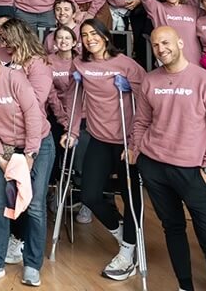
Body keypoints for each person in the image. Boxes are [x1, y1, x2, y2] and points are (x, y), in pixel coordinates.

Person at [131, 26, 206, 291]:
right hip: (155, 167)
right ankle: (185, 286)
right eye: (155, 45)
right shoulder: (150, 80)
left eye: (165, 42)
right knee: (173, 228)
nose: (161, 49)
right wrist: (137, 151)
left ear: (179, 42)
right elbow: (141, 121)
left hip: (194, 172)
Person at [0, 36, 53, 286]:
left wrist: (30, 155)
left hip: (38, 145)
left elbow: (33, 116)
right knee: (1, 206)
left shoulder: (14, 78)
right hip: (6, 150)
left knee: (35, 206)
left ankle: (32, 265)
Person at [68, 20, 146, 280]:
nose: (89, 38)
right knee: (89, 195)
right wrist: (72, 131)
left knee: (130, 198)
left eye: (94, 33)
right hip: (99, 139)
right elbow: (76, 100)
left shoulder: (126, 64)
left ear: (104, 35)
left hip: (126, 141)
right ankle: (122, 233)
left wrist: (136, 142)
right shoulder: (80, 64)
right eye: (84, 34)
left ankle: (128, 250)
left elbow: (145, 103)